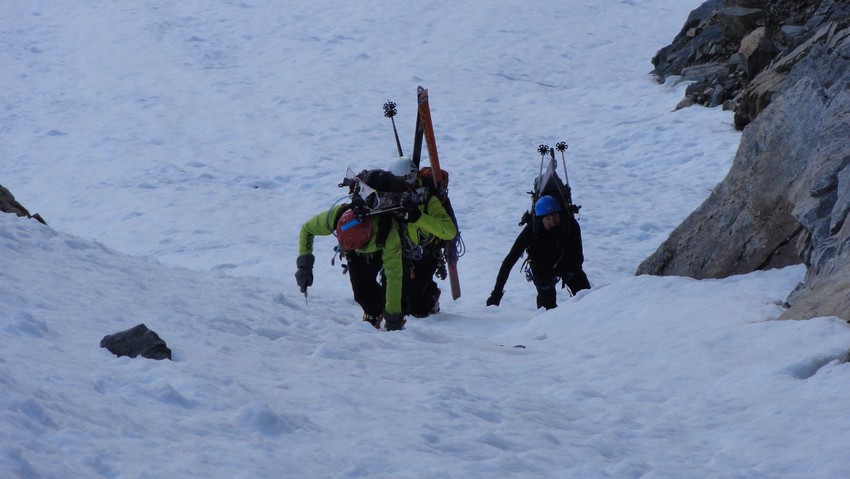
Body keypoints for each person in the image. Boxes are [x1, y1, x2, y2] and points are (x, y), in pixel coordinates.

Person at [296, 201, 408, 331]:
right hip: (356, 250)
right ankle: (373, 312)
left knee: (400, 298)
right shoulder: (337, 216)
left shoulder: (388, 232)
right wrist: (304, 266)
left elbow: (393, 275)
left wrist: (393, 317)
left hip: (385, 246)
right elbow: (307, 229)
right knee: (362, 293)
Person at [486, 195, 590, 310]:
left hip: (567, 264)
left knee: (586, 297)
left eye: (555, 216)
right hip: (543, 268)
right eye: (548, 218)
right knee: (547, 308)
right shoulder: (532, 231)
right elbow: (509, 261)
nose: (553, 221)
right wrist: (496, 294)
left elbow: (577, 261)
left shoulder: (570, 226)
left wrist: (562, 241)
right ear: (541, 219)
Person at [388, 157, 458, 318]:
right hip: (399, 253)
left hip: (426, 255)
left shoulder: (428, 201)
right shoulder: (391, 197)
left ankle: (431, 294)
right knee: (392, 294)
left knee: (415, 307)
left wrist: (418, 217)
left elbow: (449, 231)